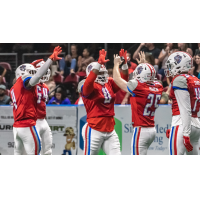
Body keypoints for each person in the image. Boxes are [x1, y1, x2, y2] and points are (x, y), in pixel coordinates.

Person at [10, 46, 62, 155]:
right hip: (28, 123)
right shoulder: (24, 84)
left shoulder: (13, 88)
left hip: (19, 124)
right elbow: (37, 76)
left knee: (19, 153)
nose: (33, 74)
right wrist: (50, 60)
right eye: (31, 72)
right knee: (34, 154)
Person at [78, 49, 128, 155]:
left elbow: (122, 81)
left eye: (103, 72)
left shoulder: (108, 82)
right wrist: (98, 64)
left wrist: (124, 65)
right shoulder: (86, 85)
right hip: (94, 128)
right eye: (98, 72)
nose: (101, 75)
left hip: (110, 129)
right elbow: (88, 84)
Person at [113, 55, 166, 155]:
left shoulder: (139, 87)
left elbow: (117, 79)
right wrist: (143, 65)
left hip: (141, 130)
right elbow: (147, 79)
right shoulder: (158, 86)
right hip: (152, 130)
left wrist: (116, 64)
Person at [165, 51, 200, 155]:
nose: (170, 69)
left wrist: (185, 132)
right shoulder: (195, 79)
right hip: (196, 124)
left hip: (182, 123)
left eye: (171, 65)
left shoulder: (180, 80)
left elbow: (185, 108)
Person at [31, 59, 53, 155]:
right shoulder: (30, 85)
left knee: (48, 150)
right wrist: (31, 67)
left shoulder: (45, 87)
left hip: (43, 120)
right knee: (35, 150)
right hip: (33, 120)